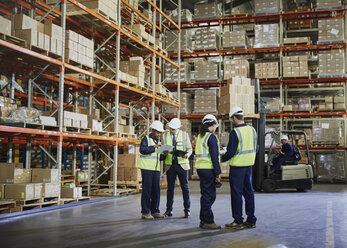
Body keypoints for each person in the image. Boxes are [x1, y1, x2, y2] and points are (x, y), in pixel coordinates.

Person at [221, 106, 257, 230]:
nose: (232, 121)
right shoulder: (252, 130)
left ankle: (238, 221)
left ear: (235, 118)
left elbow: (230, 152)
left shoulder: (235, 132)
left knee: (236, 194)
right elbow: (256, 148)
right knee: (249, 193)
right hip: (249, 166)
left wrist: (221, 159)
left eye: (232, 119)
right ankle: (251, 220)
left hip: (237, 167)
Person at [195, 114, 222, 230]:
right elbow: (214, 157)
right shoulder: (211, 137)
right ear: (213, 125)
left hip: (200, 168)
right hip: (208, 169)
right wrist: (218, 173)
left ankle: (203, 219)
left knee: (205, 195)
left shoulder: (201, 136)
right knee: (209, 196)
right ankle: (208, 221)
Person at [162, 118, 193, 218]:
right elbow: (162, 149)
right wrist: (164, 152)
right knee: (170, 189)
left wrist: (187, 155)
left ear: (179, 128)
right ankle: (169, 210)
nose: (172, 130)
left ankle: (187, 210)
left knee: (185, 188)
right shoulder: (165, 136)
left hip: (182, 165)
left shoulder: (184, 135)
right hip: (170, 165)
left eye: (174, 129)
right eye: (170, 128)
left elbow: (189, 148)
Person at [138, 120, 165, 220]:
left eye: (160, 133)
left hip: (156, 169)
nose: (159, 134)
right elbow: (143, 150)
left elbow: (158, 157)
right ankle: (145, 212)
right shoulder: (146, 139)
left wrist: (164, 155)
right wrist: (154, 147)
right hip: (147, 169)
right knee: (147, 191)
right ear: (153, 130)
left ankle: (155, 211)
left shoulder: (158, 141)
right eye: (158, 132)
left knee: (156, 191)